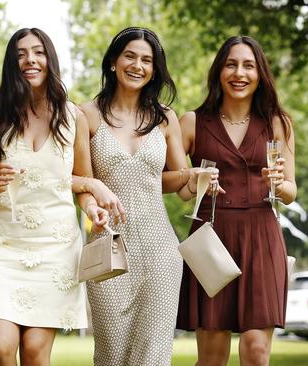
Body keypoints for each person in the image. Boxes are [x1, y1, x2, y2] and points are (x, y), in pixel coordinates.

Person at [0, 27, 108, 366]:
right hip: (1, 248)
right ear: (11, 64)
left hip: (56, 250)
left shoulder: (74, 117)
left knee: (35, 354)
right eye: (20, 54)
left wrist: (93, 209)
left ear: (49, 59)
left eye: (38, 52)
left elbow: (81, 182)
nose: (30, 59)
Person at [78, 27, 214, 365]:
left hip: (160, 250)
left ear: (154, 69)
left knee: (154, 355)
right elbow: (83, 181)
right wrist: (93, 206)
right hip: (108, 248)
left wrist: (196, 177)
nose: (137, 65)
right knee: (111, 353)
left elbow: (179, 187)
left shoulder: (165, 116)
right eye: (130, 56)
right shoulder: (87, 114)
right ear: (113, 62)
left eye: (147, 60)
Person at [176, 35, 296, 366]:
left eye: (248, 65)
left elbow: (290, 190)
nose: (239, 73)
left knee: (257, 351)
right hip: (213, 237)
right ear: (219, 72)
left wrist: (279, 184)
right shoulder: (193, 122)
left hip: (262, 237)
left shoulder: (277, 123)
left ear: (260, 74)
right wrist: (195, 178)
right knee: (212, 357)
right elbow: (180, 189)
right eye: (231, 64)